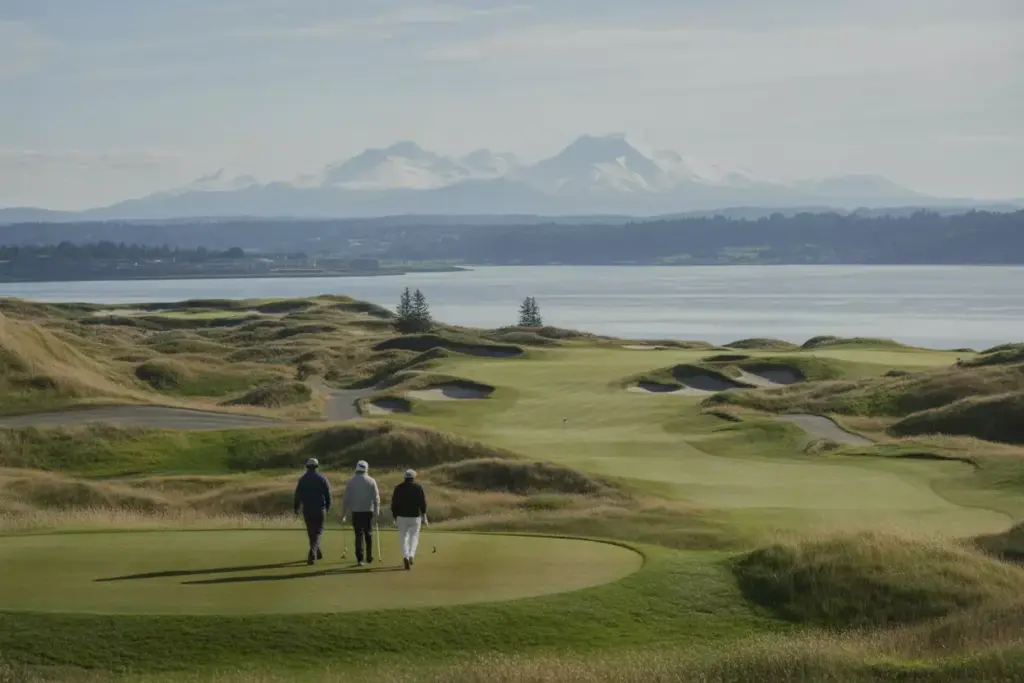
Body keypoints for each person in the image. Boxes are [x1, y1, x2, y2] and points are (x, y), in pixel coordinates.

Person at [293, 457, 331, 565]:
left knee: (311, 533)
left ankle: (316, 552)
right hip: (320, 510)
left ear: (307, 467)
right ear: (317, 467)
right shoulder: (322, 479)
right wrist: (327, 508)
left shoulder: (302, 480)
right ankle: (312, 554)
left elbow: (297, 496)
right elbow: (328, 496)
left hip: (308, 510)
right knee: (318, 532)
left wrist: (296, 508)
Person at [341, 460, 380, 566]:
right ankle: (369, 556)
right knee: (368, 534)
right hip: (368, 511)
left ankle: (360, 559)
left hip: (356, 512)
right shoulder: (371, 481)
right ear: (366, 469)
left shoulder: (351, 481)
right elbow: (376, 498)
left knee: (358, 535)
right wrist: (377, 512)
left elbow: (346, 499)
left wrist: (344, 513)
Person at [391, 469, 428, 570]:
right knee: (414, 536)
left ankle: (405, 556)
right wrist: (424, 515)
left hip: (401, 516)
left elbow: (394, 504)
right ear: (414, 478)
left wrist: (394, 516)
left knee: (403, 538)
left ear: (404, 477)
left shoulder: (398, 488)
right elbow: (423, 503)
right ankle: (411, 555)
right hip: (415, 517)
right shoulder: (419, 487)